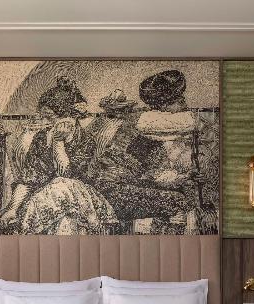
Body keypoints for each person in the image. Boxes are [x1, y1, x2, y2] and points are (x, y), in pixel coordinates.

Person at [85, 70, 210, 234]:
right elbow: (189, 122)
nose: (184, 106)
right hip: (110, 189)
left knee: (177, 194)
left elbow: (156, 175)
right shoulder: (142, 120)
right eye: (180, 101)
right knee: (178, 202)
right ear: (164, 106)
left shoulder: (154, 141)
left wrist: (186, 177)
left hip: (123, 187)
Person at [0, 77, 116, 234]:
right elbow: (28, 179)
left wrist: (58, 141)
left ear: (68, 117)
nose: (44, 121)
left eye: (49, 117)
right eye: (43, 116)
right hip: (44, 202)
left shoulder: (85, 141)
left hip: (80, 202)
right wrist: (12, 208)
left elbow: (66, 176)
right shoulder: (41, 138)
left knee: (62, 189)